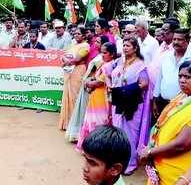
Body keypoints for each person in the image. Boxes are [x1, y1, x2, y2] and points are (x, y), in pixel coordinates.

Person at [140, 61, 191, 185]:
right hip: (162, 165)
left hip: (177, 175)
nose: (182, 80)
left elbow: (181, 144)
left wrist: (150, 153)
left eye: (187, 77)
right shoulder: (183, 96)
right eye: (180, 76)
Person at [109, 37, 152, 174]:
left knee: (129, 134)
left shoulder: (141, 65)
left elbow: (144, 84)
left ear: (135, 48)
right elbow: (111, 75)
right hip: (117, 101)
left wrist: (127, 90)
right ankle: (117, 161)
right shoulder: (120, 62)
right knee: (117, 131)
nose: (125, 48)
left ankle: (129, 164)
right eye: (124, 45)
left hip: (132, 104)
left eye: (128, 45)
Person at [65, 35, 110, 142]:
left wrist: (89, 82)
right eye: (96, 41)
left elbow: (99, 75)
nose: (96, 44)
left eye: (98, 42)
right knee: (83, 111)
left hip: (93, 87)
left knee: (89, 113)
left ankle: (88, 138)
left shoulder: (104, 59)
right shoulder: (99, 55)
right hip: (87, 84)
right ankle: (80, 135)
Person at [76, 42, 118, 149]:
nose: (102, 55)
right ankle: (89, 146)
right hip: (95, 96)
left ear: (112, 54)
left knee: (99, 122)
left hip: (103, 98)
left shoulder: (111, 66)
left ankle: (96, 148)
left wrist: (87, 83)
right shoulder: (103, 64)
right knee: (90, 120)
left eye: (105, 53)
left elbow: (99, 82)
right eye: (101, 52)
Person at [154, 28, 191, 115]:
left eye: (179, 39)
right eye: (174, 39)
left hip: (181, 105)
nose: (175, 42)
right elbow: (160, 79)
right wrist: (155, 99)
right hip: (162, 103)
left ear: (187, 40)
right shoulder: (166, 56)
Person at [58, 27, 90, 130]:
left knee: (75, 97)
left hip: (78, 70)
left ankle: (75, 125)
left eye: (79, 34)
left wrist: (68, 62)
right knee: (67, 95)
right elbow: (64, 55)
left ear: (84, 36)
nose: (76, 35)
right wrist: (63, 60)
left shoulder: (86, 46)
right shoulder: (73, 45)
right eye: (75, 34)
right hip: (69, 72)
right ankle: (66, 123)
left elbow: (78, 58)